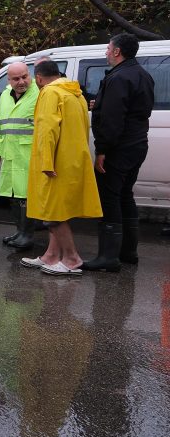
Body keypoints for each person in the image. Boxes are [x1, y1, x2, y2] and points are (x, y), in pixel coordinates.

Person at [81, 33, 155, 272]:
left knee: (110, 198)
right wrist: (99, 104)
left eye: (108, 48)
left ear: (117, 51)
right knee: (125, 195)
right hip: (137, 144)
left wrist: (102, 150)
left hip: (118, 147)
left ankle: (108, 257)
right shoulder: (142, 75)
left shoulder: (119, 78)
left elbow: (114, 120)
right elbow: (135, 108)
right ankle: (128, 252)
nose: (105, 52)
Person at [21, 59, 102, 275]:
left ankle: (72, 259)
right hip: (72, 160)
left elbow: (48, 130)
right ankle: (51, 255)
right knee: (59, 210)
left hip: (55, 162)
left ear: (38, 78)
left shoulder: (49, 93)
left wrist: (46, 162)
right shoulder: (76, 94)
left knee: (51, 214)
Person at [0, 61, 40, 250]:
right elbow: (0, 125)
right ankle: (19, 231)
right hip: (10, 152)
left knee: (25, 196)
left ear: (30, 74)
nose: (21, 82)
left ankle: (27, 235)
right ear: (9, 80)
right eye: (16, 79)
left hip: (29, 154)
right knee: (12, 194)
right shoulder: (5, 95)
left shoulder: (39, 94)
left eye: (24, 77)